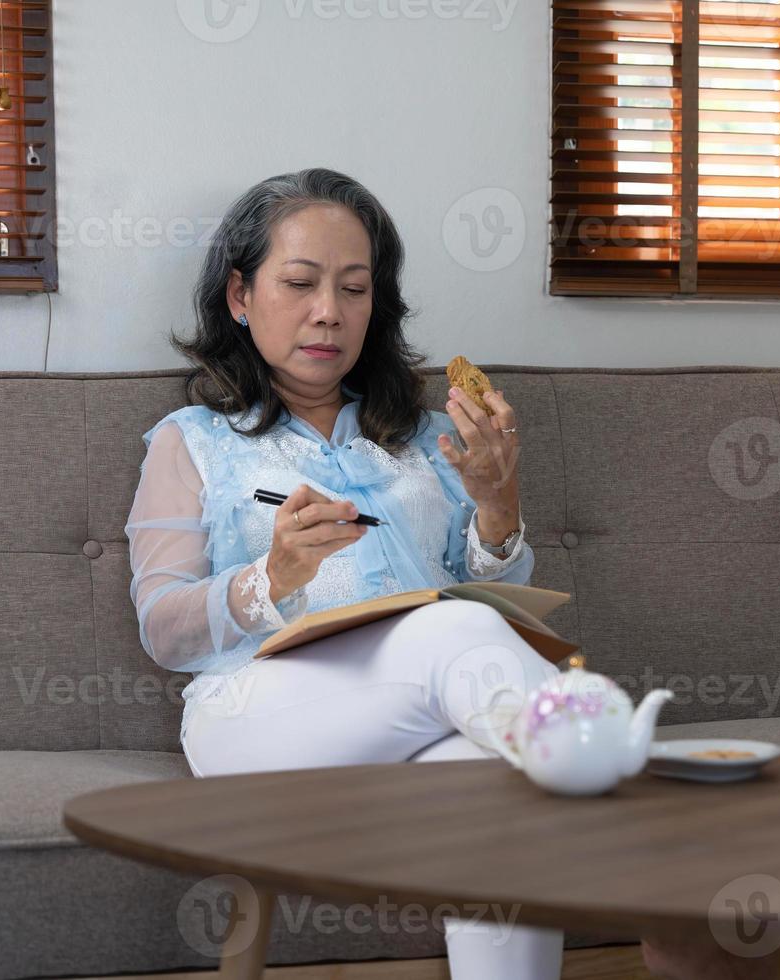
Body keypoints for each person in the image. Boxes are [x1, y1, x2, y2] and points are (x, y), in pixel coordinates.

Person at [125, 167, 562, 980]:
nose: (329, 310)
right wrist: (273, 575)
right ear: (239, 295)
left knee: (506, 800)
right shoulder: (189, 442)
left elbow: (499, 596)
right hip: (256, 716)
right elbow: (164, 629)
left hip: (427, 706)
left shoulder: (435, 437)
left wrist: (499, 504)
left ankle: (573, 761)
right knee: (452, 627)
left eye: (355, 288)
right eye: (300, 282)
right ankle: (607, 763)